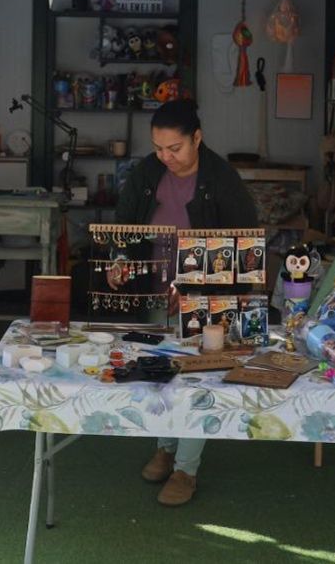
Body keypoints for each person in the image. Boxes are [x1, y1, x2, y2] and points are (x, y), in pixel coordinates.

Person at [114, 99, 258, 506]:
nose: (165, 157)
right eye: (158, 148)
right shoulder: (147, 171)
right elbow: (122, 227)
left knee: (197, 377)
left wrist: (193, 283)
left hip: (208, 288)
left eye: (174, 148)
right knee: (158, 368)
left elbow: (246, 248)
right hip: (154, 283)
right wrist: (124, 265)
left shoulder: (222, 178)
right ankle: (165, 445)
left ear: (197, 138)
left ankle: (186, 469)